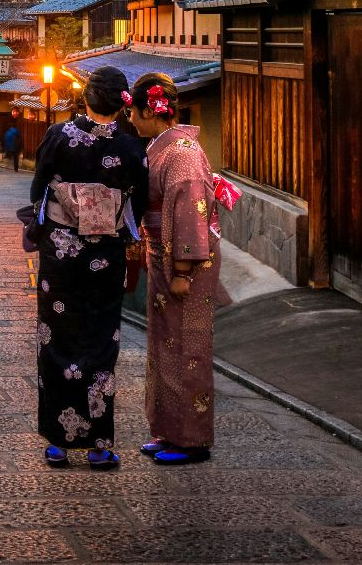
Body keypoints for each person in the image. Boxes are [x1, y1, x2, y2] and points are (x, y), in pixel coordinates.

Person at [25, 66, 147, 470]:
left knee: (56, 337)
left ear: (86, 98)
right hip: (104, 258)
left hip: (61, 256)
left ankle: (58, 443)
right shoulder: (132, 148)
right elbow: (138, 204)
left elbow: (38, 188)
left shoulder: (59, 136)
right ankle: (99, 445)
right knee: (99, 342)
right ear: (122, 102)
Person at [128, 72, 232, 465]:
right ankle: (169, 430)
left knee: (187, 347)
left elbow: (190, 214)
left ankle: (191, 439)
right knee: (164, 344)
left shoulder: (182, 154)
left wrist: (183, 271)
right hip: (164, 256)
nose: (131, 121)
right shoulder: (163, 147)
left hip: (184, 263)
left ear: (150, 111)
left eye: (134, 113)